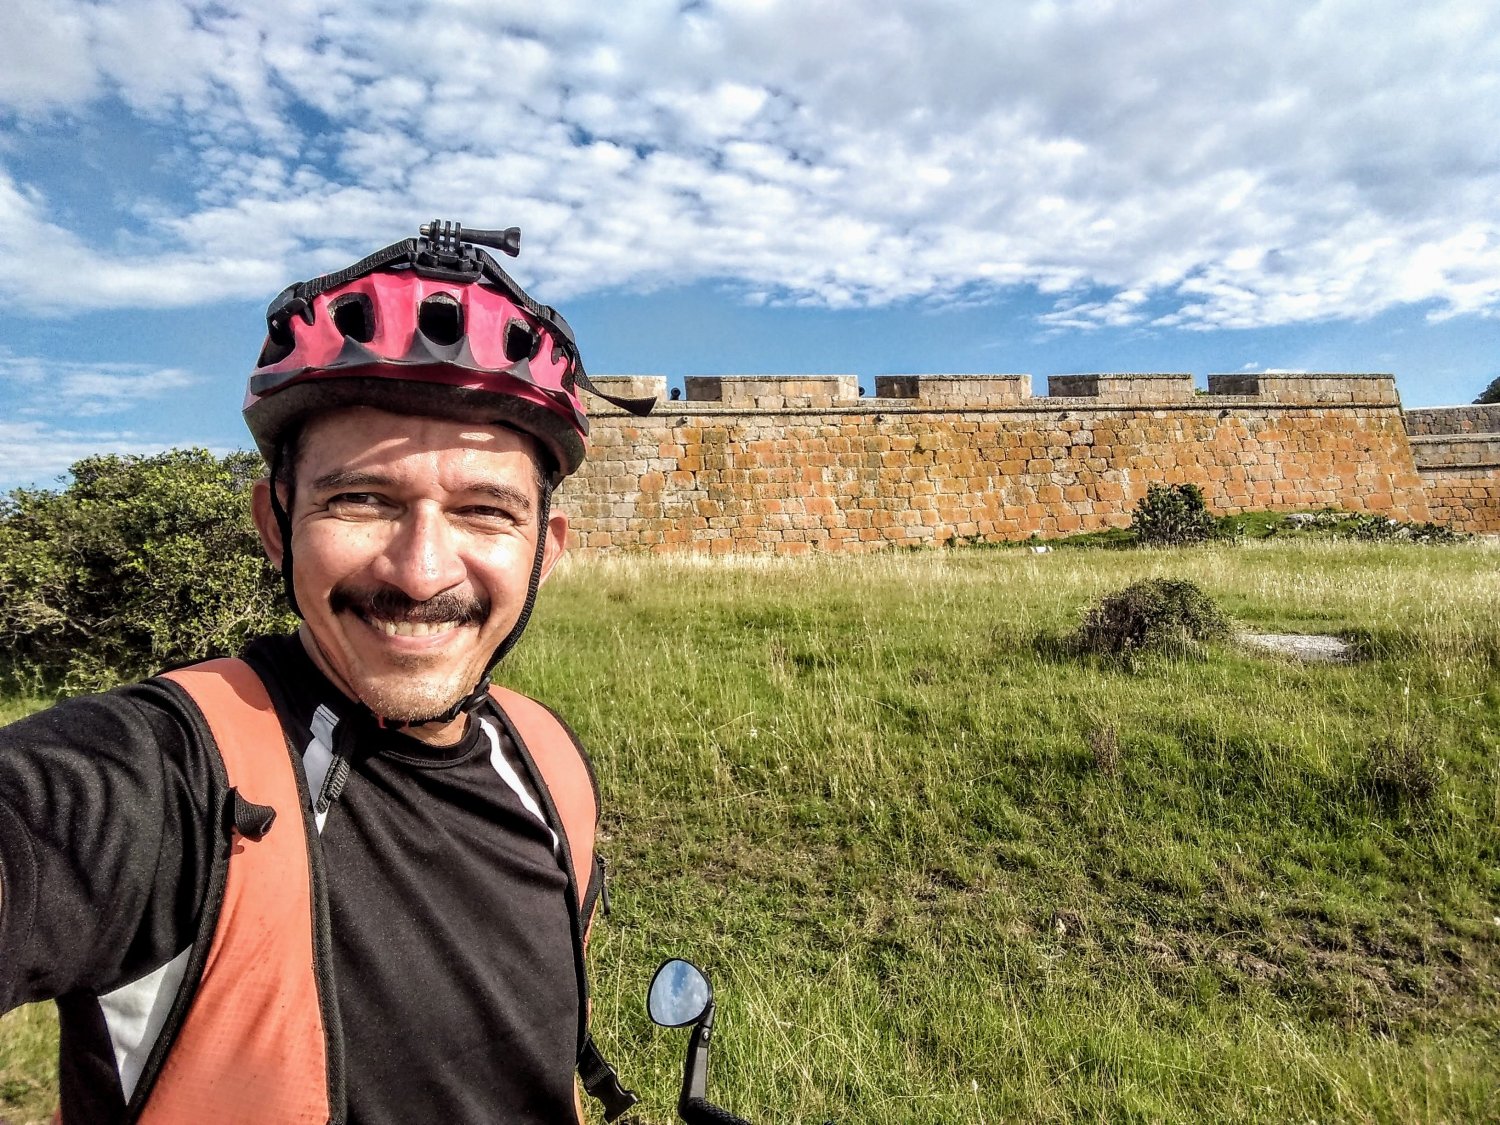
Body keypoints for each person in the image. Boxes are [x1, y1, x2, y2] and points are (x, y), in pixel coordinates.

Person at [0, 222, 651, 1124]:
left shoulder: (550, 764)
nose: (421, 572)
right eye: (362, 499)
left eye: (485, 510)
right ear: (276, 525)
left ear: (545, 549)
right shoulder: (170, 778)